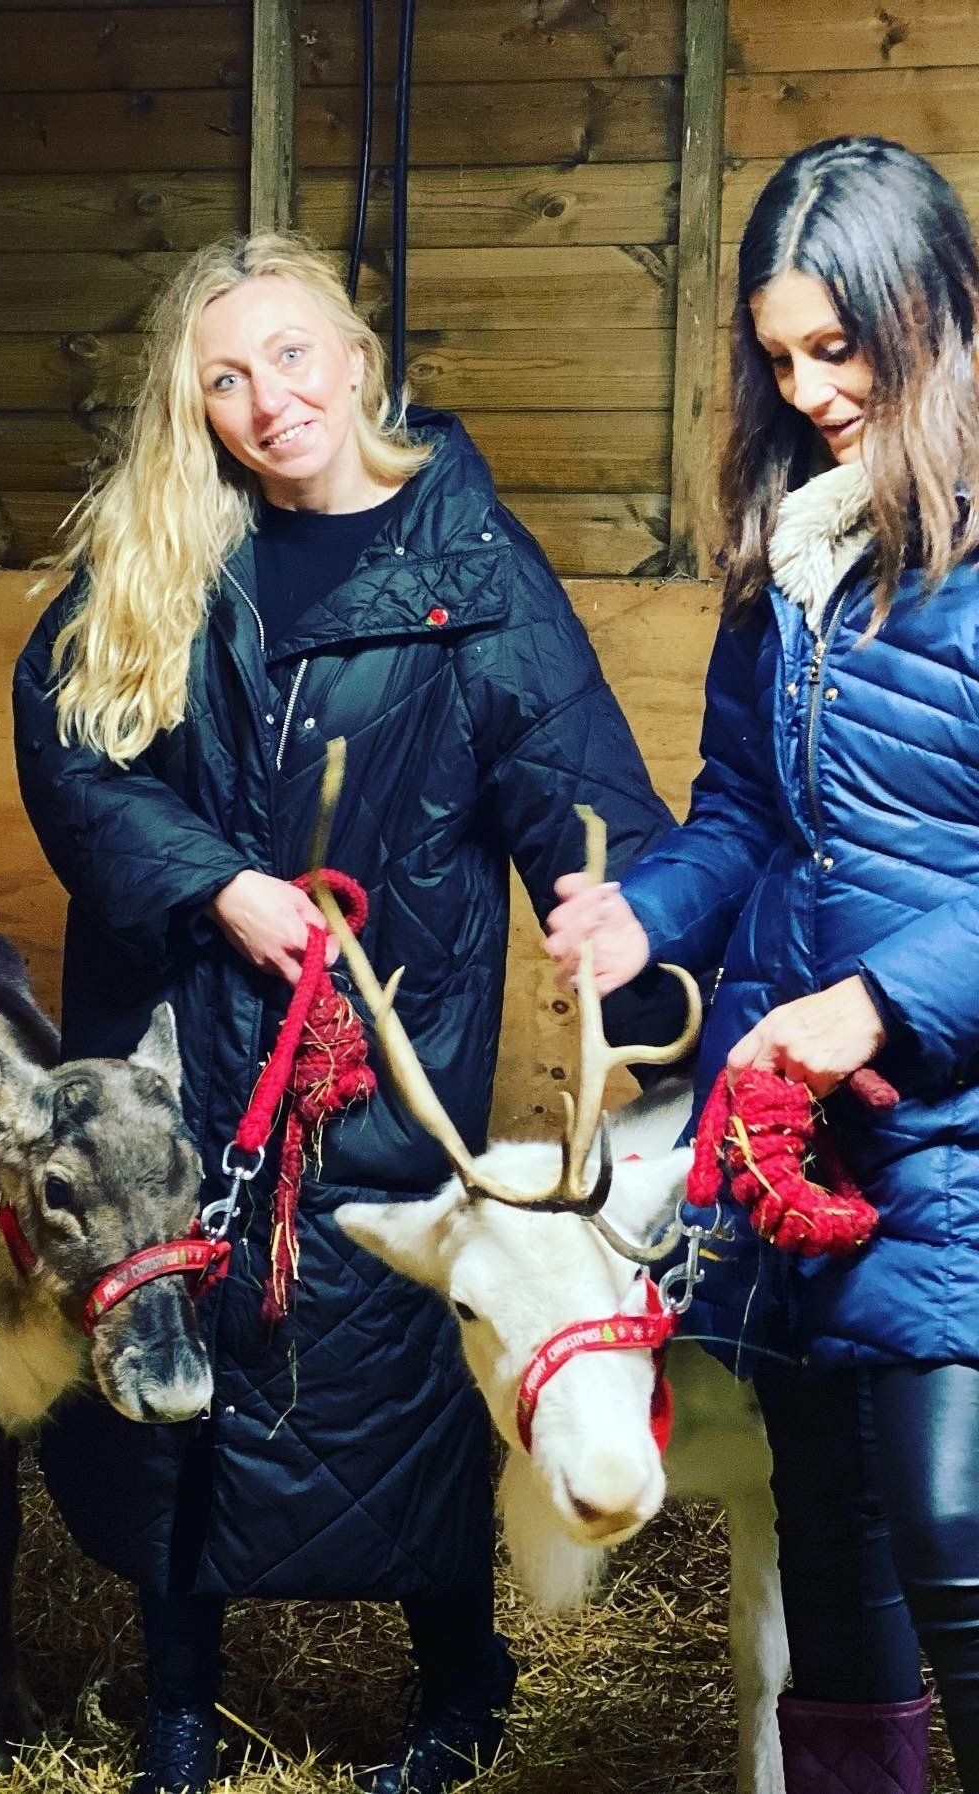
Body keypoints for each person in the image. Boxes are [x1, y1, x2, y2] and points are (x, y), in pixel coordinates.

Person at [13, 231, 685, 1794]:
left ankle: (460, 1681)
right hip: (194, 1043)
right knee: (192, 1357)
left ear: (360, 359)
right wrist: (216, 884)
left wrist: (630, 930)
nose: (268, 400)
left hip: (385, 1055)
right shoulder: (167, 551)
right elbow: (68, 750)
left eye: (293, 356)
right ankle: (181, 1690)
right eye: (226, 378)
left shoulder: (474, 566)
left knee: (409, 1359)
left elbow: (582, 794)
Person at [545, 136, 979, 1794]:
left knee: (949, 1519)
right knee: (838, 1539)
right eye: (780, 354)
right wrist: (649, 909)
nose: (807, 389)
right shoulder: (790, 551)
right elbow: (746, 810)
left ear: (925, 306)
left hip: (942, 1108)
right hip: (786, 1126)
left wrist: (876, 1002)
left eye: (838, 347)